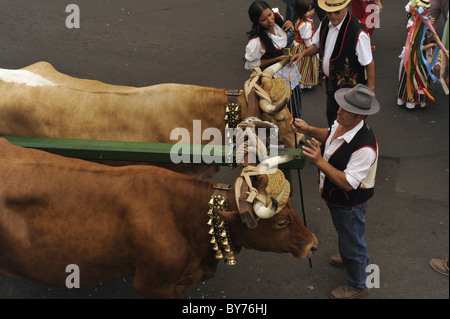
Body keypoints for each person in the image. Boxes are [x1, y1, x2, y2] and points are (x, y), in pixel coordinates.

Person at [291, 84, 379, 299]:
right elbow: (330, 135)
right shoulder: (344, 124)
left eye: (345, 109)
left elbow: (348, 183)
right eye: (340, 106)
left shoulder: (365, 148)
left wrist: (319, 161)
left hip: (349, 202)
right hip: (337, 199)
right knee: (349, 233)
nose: (338, 111)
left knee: (352, 238)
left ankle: (358, 284)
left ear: (359, 117)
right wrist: (309, 129)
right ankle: (352, 256)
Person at [290, 0, 375, 127]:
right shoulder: (325, 22)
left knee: (346, 122)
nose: (333, 16)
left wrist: (371, 87)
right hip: (331, 84)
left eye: (337, 12)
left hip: (350, 89)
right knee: (332, 115)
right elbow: (317, 45)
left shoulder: (358, 32)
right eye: (329, 12)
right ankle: (332, 141)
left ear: (346, 7)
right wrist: (302, 54)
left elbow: (368, 61)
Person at [245, 0, 304, 119]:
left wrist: (290, 25)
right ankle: (280, 137)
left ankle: (298, 133)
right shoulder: (257, 42)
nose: (270, 20)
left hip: (291, 74)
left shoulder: (279, 21)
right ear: (257, 22)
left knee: (296, 109)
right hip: (274, 82)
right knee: (280, 116)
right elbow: (251, 65)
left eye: (270, 15)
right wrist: (278, 59)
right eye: (264, 20)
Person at [291, 0, 320, 89]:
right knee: (306, 66)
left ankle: (297, 80)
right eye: (308, 10)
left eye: (312, 9)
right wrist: (313, 49)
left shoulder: (299, 19)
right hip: (304, 47)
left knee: (298, 65)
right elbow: (307, 41)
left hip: (297, 45)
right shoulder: (306, 24)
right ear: (301, 11)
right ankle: (304, 83)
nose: (312, 12)